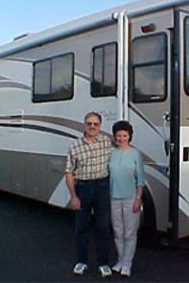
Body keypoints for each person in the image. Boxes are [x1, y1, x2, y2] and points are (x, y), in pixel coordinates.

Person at [65, 112, 113, 277]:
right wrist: (73, 196)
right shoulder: (75, 145)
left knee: (103, 227)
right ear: (84, 125)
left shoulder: (107, 142)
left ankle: (103, 263)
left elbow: (120, 154)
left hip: (102, 188)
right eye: (89, 123)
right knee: (81, 227)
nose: (92, 127)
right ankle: (81, 262)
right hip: (83, 189)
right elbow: (69, 173)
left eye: (95, 124)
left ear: (100, 126)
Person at [109, 120, 145, 277]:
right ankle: (120, 260)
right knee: (118, 232)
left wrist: (138, 198)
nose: (121, 138)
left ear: (130, 136)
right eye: (119, 135)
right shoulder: (112, 152)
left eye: (124, 135)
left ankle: (127, 264)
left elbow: (141, 179)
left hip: (131, 198)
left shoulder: (135, 153)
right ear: (115, 136)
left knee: (130, 233)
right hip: (113, 198)